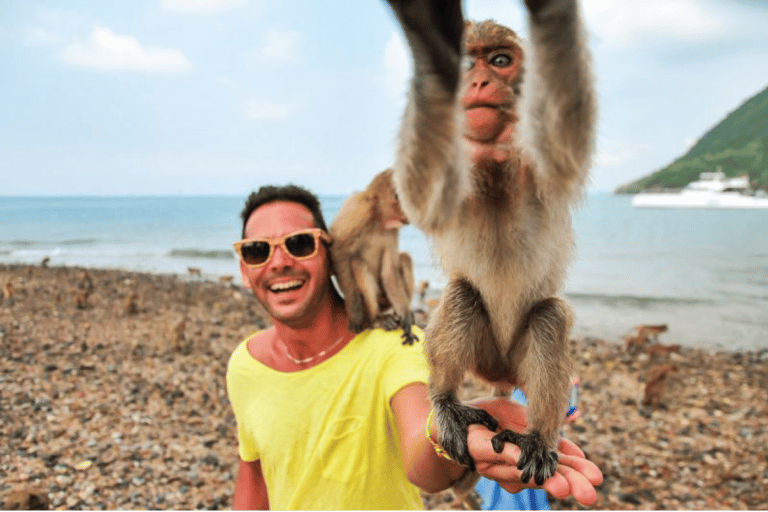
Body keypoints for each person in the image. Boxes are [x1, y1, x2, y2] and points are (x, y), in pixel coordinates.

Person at [226, 184, 602, 510]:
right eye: (258, 251)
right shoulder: (245, 364)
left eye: (299, 244)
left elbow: (423, 463)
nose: (279, 262)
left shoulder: (395, 345)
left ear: (329, 253)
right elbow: (255, 475)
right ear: (244, 270)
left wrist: (452, 436)